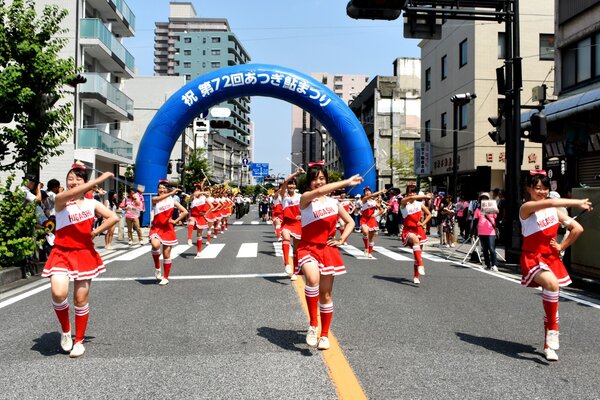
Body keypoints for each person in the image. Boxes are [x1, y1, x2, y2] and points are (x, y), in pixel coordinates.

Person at [41, 163, 118, 358]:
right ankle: (66, 331)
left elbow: (113, 217)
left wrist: (95, 232)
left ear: (84, 182)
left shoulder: (92, 204)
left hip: (84, 254)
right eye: (70, 179)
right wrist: (98, 181)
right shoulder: (60, 200)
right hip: (61, 253)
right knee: (59, 293)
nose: (73, 182)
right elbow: (64, 196)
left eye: (78, 179)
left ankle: (79, 340)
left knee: (80, 299)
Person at [519, 170, 592, 361]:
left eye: (545, 188)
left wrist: (561, 246)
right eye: (537, 188)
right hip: (532, 257)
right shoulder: (526, 208)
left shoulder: (555, 212)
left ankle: (548, 345)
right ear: (528, 189)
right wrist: (577, 202)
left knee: (552, 298)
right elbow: (550, 202)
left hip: (551, 257)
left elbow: (577, 229)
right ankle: (553, 330)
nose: (542, 192)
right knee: (552, 285)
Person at [297, 162, 362, 350]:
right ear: (309, 183)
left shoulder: (335, 203)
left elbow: (349, 222)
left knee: (325, 294)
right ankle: (313, 325)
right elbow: (319, 193)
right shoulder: (306, 199)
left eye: (322, 178)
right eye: (315, 179)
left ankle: (324, 335)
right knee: (312, 277)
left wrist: (342, 239)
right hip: (308, 248)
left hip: (327, 250)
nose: (319, 182)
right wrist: (347, 182)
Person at [149, 180, 188, 286]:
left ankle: (165, 277)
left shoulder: (173, 201)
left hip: (168, 228)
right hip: (156, 227)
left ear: (167, 189)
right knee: (155, 245)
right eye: (159, 188)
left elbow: (185, 211)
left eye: (163, 188)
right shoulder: (155, 199)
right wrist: (171, 193)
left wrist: (175, 221)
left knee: (166, 254)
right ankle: (157, 267)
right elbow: (156, 199)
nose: (161, 190)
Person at [400, 183, 432, 284]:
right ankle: (421, 264)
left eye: (413, 191)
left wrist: (423, 223)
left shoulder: (419, 204)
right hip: (408, 229)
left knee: (417, 254)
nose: (412, 194)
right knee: (414, 240)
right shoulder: (404, 203)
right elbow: (412, 198)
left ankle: (416, 276)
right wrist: (425, 196)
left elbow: (429, 214)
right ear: (407, 193)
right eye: (410, 191)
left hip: (418, 229)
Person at [281, 168, 304, 280]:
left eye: (293, 184)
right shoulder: (284, 196)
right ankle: (287, 264)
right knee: (285, 236)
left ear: (295, 186)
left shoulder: (300, 197)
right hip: (287, 223)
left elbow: (306, 208)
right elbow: (284, 182)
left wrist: (302, 216)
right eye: (290, 184)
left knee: (296, 249)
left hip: (298, 223)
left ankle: (295, 271)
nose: (291, 186)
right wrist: (296, 173)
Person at [473, 192, 498, 271]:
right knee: (484, 249)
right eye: (482, 198)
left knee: (491, 248)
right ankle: (487, 264)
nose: (484, 199)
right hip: (481, 231)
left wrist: (496, 210)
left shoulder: (492, 207)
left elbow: (496, 216)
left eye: (486, 198)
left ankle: (494, 264)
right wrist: (473, 231)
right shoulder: (478, 209)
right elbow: (475, 220)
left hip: (490, 231)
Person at [359, 186, 386, 258]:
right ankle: (366, 248)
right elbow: (372, 195)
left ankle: (370, 252)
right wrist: (380, 191)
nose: (367, 192)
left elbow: (381, 210)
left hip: (371, 220)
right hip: (364, 219)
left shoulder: (374, 202)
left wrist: (375, 215)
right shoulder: (364, 200)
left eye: (368, 191)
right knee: (365, 232)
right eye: (366, 191)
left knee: (371, 238)